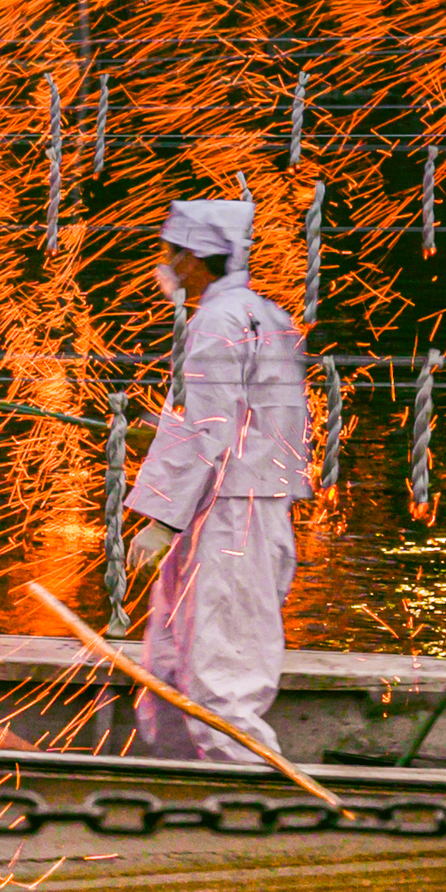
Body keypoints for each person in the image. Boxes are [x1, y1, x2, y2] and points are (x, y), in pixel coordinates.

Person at [119, 199, 313, 762]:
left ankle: (253, 800)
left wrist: (158, 519)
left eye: (170, 253)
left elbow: (210, 428)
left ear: (195, 259)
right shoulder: (267, 315)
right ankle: (184, 788)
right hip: (240, 505)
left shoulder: (215, 321)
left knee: (219, 680)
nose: (166, 265)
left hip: (231, 516)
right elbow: (244, 419)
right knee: (172, 665)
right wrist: (159, 431)